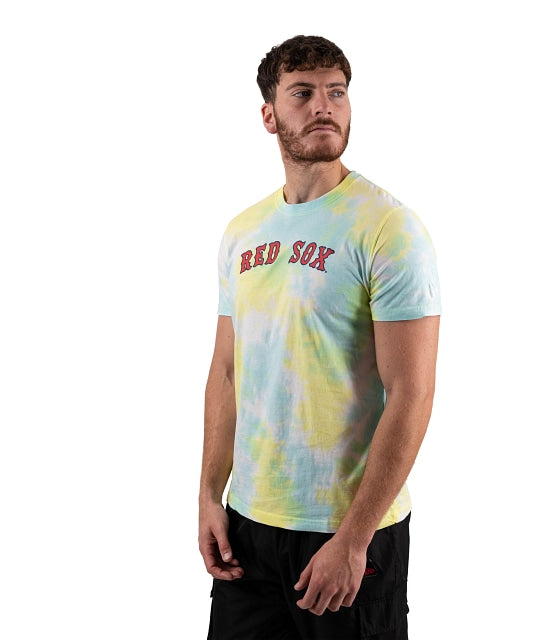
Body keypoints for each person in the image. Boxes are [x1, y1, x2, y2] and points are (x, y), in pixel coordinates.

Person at [198, 34, 441, 640]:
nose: (323, 106)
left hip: (347, 530)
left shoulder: (388, 229)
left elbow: (412, 392)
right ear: (269, 115)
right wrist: (208, 495)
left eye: (336, 92)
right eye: (302, 93)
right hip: (249, 525)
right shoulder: (242, 232)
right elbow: (226, 371)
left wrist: (354, 540)